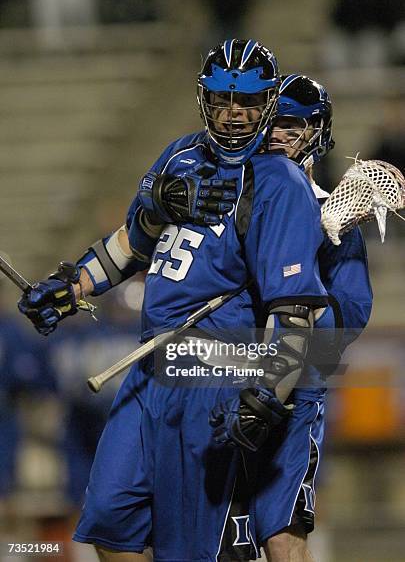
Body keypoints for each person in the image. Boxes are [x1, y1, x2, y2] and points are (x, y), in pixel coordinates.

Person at [18, 41, 366, 561]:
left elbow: (292, 312)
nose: (233, 114)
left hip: (211, 370)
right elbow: (131, 243)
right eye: (223, 100)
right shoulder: (179, 153)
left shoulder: (280, 184)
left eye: (247, 102)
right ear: (203, 99)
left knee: (200, 546)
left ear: (268, 103)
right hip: (149, 364)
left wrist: (270, 390)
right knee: (110, 520)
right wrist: (73, 287)